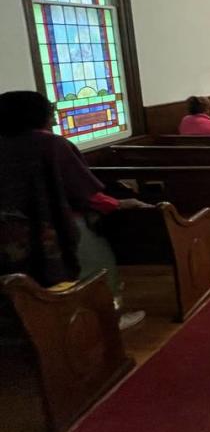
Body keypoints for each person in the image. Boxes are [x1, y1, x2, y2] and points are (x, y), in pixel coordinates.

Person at [0, 91, 148, 330]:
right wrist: (119, 204)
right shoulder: (51, 144)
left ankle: (37, 328)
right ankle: (107, 320)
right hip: (53, 227)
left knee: (21, 285)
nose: (55, 119)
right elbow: (84, 193)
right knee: (98, 266)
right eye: (51, 113)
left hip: (8, 234)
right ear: (37, 115)